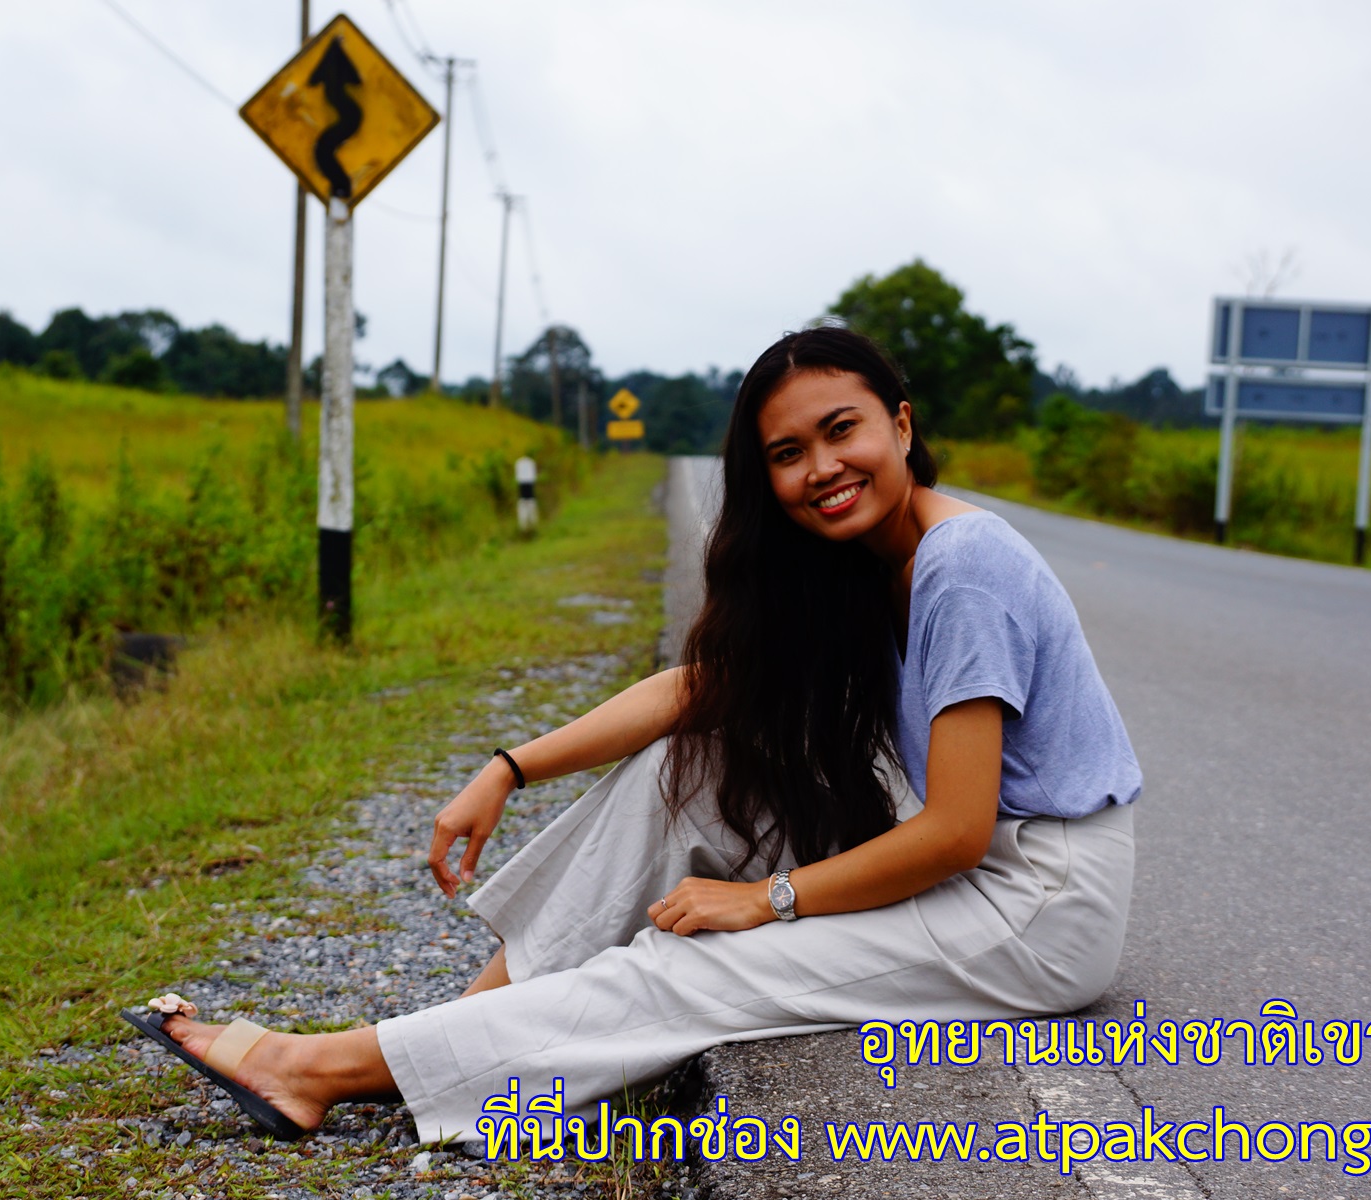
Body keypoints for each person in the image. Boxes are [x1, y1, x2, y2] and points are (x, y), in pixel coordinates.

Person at [121, 326, 1142, 1144]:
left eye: (843, 431)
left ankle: (319, 1069)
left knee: (694, 966)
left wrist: (763, 900)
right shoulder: (873, 565)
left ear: (903, 425)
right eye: (789, 454)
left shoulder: (961, 564)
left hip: (1036, 910)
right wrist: (506, 770)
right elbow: (702, 689)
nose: (823, 468)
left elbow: (958, 830)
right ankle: (442, 1041)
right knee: (688, 773)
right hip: (992, 879)